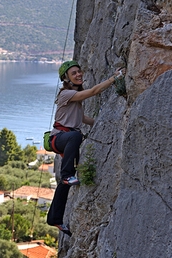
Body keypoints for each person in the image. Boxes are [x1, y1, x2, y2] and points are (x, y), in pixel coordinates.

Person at [46, 60, 125, 237]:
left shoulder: (74, 97)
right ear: (66, 78)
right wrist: (115, 78)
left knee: (65, 185)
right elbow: (94, 91)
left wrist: (102, 125)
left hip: (66, 138)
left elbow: (82, 118)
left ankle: (54, 218)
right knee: (76, 137)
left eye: (79, 71)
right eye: (74, 73)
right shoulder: (66, 94)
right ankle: (67, 175)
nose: (78, 74)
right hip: (59, 138)